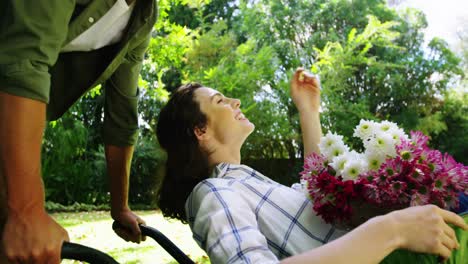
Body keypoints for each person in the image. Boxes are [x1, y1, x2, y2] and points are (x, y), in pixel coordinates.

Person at [155, 68, 467, 263]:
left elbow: (316, 195)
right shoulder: (214, 192)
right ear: (201, 131)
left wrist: (308, 110)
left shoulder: (247, 184)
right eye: (221, 101)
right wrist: (392, 230)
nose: (235, 102)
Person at [0, 0, 158, 263]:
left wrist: (120, 208)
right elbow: (24, 64)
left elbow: (122, 115)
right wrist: (26, 212)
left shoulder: (142, 17)